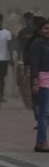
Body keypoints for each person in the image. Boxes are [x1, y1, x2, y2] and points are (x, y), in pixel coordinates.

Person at [27, 18, 49, 152]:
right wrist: (35, 81)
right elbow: (34, 64)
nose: (48, 31)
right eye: (45, 28)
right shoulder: (36, 44)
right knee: (44, 113)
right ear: (40, 30)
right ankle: (41, 142)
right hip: (43, 78)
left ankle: (40, 141)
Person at [17, 12, 38, 111]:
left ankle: (36, 102)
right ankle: (28, 103)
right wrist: (18, 58)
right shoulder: (22, 32)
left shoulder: (37, 31)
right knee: (25, 82)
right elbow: (19, 46)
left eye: (29, 19)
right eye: (26, 19)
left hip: (38, 60)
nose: (27, 21)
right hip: (26, 60)